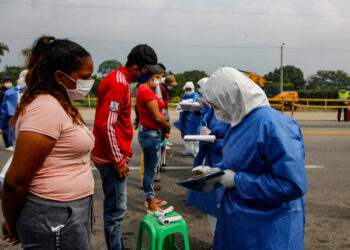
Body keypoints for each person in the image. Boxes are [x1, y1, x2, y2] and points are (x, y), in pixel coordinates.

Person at [1, 36, 95, 249]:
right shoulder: (45, 109)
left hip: (68, 211)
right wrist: (12, 220)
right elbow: (15, 182)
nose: (89, 82)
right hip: (53, 214)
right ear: (60, 76)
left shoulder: (60, 103)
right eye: (85, 77)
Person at [200, 67, 307, 250]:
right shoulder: (238, 122)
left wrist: (237, 180)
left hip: (269, 226)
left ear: (231, 98)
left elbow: (291, 185)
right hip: (240, 221)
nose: (216, 111)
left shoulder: (273, 125)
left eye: (217, 105)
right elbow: (240, 159)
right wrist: (215, 170)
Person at [91, 44, 163, 249]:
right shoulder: (118, 84)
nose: (149, 77)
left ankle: (118, 245)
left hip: (111, 155)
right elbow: (105, 125)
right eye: (148, 73)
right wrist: (118, 160)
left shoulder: (118, 79)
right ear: (136, 68)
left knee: (115, 210)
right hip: (112, 159)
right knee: (115, 212)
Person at [186, 106, 230, 235]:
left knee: (224, 204)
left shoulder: (236, 111)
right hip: (212, 159)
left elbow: (237, 142)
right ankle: (218, 241)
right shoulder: (214, 108)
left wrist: (217, 142)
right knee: (212, 203)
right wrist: (202, 130)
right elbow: (203, 121)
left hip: (228, 161)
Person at [136, 65, 170, 213]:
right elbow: (157, 117)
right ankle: (150, 203)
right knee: (150, 171)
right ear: (152, 75)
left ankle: (151, 198)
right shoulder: (145, 91)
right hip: (151, 133)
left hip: (150, 132)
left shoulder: (146, 90)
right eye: (159, 76)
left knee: (151, 168)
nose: (161, 79)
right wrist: (167, 126)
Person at [0, 70, 28, 151]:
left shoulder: (9, 92)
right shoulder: (35, 92)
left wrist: (2, 126)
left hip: (14, 120)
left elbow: (4, 111)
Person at [174, 81, 201, 157]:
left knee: (194, 134)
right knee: (186, 134)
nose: (188, 90)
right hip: (185, 118)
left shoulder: (196, 95)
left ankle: (196, 151)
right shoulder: (184, 96)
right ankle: (188, 150)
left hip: (194, 118)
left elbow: (195, 105)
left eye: (189, 89)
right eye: (187, 89)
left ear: (192, 88)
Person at [0, 76, 14, 151]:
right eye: (7, 82)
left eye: (10, 82)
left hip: (9, 112)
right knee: (4, 128)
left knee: (8, 128)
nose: (9, 83)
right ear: (3, 83)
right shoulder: (1, 92)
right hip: (2, 113)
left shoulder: (12, 91)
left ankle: (9, 144)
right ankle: (8, 145)